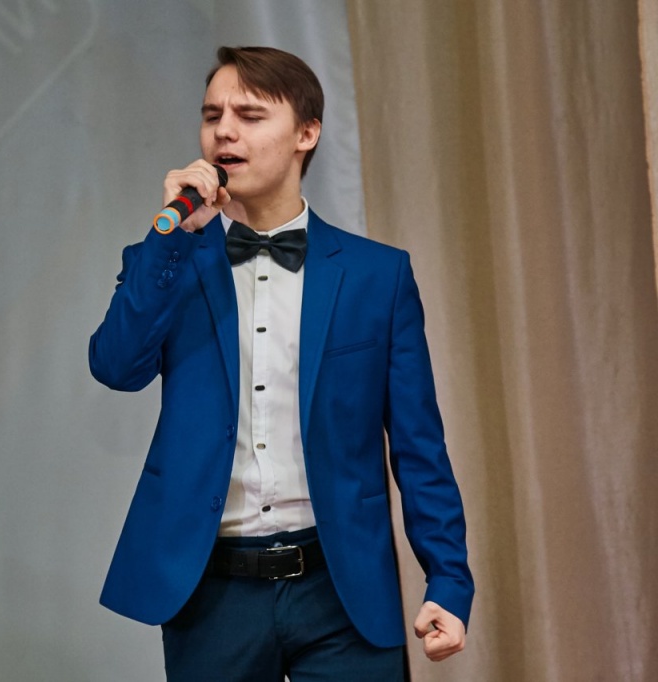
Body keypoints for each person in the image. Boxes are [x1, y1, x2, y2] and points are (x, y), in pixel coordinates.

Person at [88, 46, 473, 681]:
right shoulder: (169, 262)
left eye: (249, 115)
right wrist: (171, 238)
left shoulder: (377, 276)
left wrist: (449, 581)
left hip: (341, 588)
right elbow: (115, 367)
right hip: (211, 593)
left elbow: (418, 447)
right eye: (211, 115)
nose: (224, 132)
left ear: (306, 133)